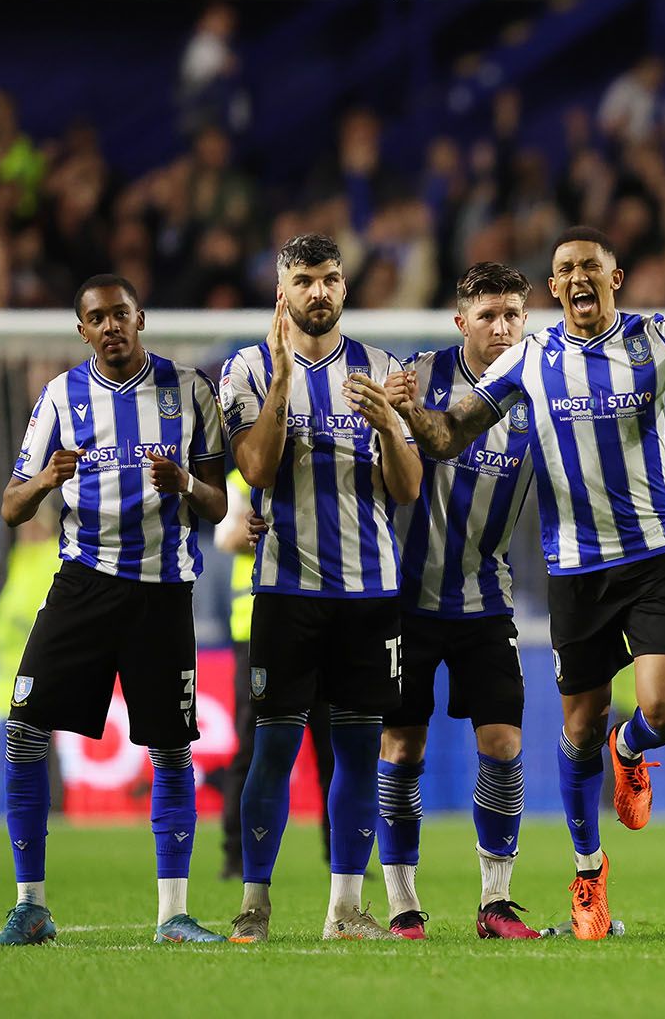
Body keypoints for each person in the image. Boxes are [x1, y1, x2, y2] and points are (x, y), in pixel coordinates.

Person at [387, 227, 665, 939]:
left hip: (652, 557)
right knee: (578, 729)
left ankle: (632, 749)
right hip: (575, 570)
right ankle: (589, 874)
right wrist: (404, 408)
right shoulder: (528, 358)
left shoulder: (656, 339)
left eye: (591, 266)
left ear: (614, 277)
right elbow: (445, 437)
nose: (579, 276)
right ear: (555, 290)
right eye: (565, 270)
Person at [0, 274, 229, 945]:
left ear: (140, 316)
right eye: (97, 318)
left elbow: (220, 503)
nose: (111, 325)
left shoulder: (190, 391)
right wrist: (46, 480)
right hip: (83, 586)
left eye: (120, 313)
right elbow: (11, 508)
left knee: (172, 749)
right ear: (83, 330)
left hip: (162, 591)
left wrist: (185, 483)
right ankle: (30, 904)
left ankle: (173, 916)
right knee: (24, 732)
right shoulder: (61, 397)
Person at [221, 234, 423, 943]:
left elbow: (406, 488)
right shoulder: (246, 368)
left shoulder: (381, 369)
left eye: (331, 279)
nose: (320, 292)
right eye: (305, 280)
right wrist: (281, 381)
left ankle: (344, 909)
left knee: (359, 753)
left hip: (370, 593)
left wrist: (389, 428)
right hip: (285, 590)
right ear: (283, 291)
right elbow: (256, 470)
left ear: (344, 288)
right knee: (274, 750)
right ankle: (254, 905)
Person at [375, 262, 541, 940]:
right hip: (404, 602)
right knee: (402, 748)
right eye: (488, 316)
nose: (501, 328)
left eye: (512, 315)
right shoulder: (416, 377)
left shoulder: (540, 385)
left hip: (486, 599)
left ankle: (495, 903)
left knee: (502, 743)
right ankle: (402, 905)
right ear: (460, 321)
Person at [213, 473, 333, 881]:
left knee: (330, 742)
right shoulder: (238, 479)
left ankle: (340, 853)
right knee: (251, 745)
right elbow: (225, 538)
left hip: (319, 618)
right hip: (255, 629)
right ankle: (235, 852)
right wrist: (253, 530)